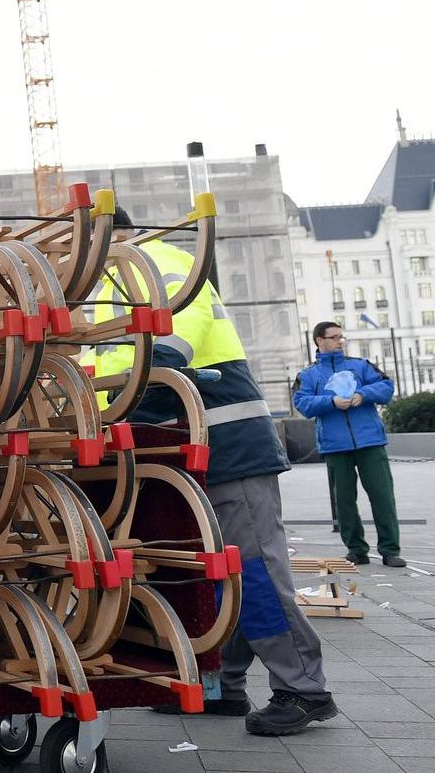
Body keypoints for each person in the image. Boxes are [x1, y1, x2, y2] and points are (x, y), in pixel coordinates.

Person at [91, 209, 336, 736]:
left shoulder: (158, 260)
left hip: (227, 444)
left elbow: (177, 337)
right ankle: (221, 684)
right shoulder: (107, 284)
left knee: (255, 571)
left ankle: (303, 689)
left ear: (107, 234)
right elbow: (100, 366)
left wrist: (117, 375)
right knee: (211, 572)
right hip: (181, 449)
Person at [294, 322, 402, 566]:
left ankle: (390, 550)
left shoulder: (360, 365)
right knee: (344, 502)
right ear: (319, 341)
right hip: (335, 446)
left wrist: (363, 395)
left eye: (342, 337)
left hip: (370, 442)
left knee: (383, 497)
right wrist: (331, 402)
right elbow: (302, 403)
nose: (340, 341)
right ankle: (356, 550)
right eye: (334, 337)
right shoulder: (308, 375)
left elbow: (386, 387)